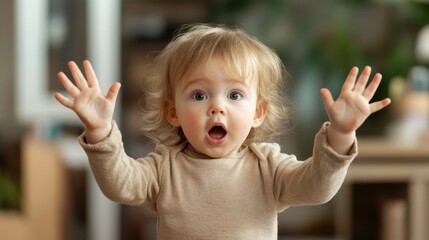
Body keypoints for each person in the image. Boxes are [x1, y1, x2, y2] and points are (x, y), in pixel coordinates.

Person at [54, 24, 391, 239]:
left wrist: (341, 135)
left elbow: (316, 188)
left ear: (258, 112)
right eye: (199, 95)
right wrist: (100, 131)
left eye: (234, 95)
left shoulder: (268, 165)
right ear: (173, 112)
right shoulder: (164, 166)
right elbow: (120, 185)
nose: (217, 107)